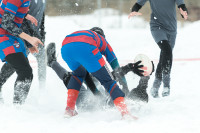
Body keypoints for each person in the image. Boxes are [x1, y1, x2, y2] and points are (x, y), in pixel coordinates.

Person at [48, 27, 145, 119]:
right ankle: (125, 113)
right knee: (107, 82)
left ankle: (69, 108)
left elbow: (108, 75)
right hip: (96, 102)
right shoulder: (97, 47)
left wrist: (129, 68)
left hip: (66, 48)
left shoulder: (86, 42)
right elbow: (113, 71)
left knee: (74, 77)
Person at [128, 0, 188, 97]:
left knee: (165, 55)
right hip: (157, 26)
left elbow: (181, 5)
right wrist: (134, 10)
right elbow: (139, 3)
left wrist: (184, 12)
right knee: (166, 49)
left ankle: (156, 85)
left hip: (172, 28)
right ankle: (166, 85)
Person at [0, 0, 46, 103]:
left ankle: (18, 107)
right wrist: (29, 38)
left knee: (23, 70)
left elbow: (16, 14)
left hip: (12, 36)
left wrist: (25, 15)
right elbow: (6, 22)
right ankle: (18, 109)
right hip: (3, 35)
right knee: (25, 72)